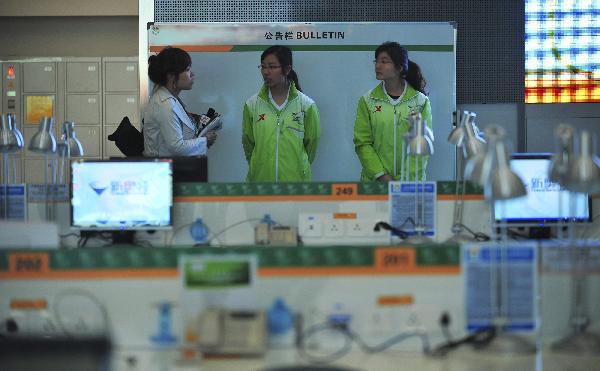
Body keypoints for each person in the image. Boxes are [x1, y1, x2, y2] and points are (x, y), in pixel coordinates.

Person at [353, 41, 432, 182]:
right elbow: (362, 143)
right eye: (376, 61)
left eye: (384, 61)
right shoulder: (367, 100)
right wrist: (381, 175)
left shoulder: (420, 101)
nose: (378, 66)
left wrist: (405, 179)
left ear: (400, 67)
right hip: (375, 183)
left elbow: (421, 144)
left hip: (410, 184)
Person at [242, 45, 320, 182]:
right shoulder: (252, 104)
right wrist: (259, 166)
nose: (266, 72)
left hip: (296, 184)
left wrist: (298, 167)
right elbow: (248, 144)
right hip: (261, 183)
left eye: (272, 67)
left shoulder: (306, 105)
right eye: (263, 67)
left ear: (287, 69)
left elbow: (311, 146)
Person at [143, 46, 217, 157]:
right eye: (187, 70)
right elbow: (177, 147)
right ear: (171, 76)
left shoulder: (170, 100)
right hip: (166, 169)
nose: (192, 74)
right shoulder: (165, 104)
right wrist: (205, 140)